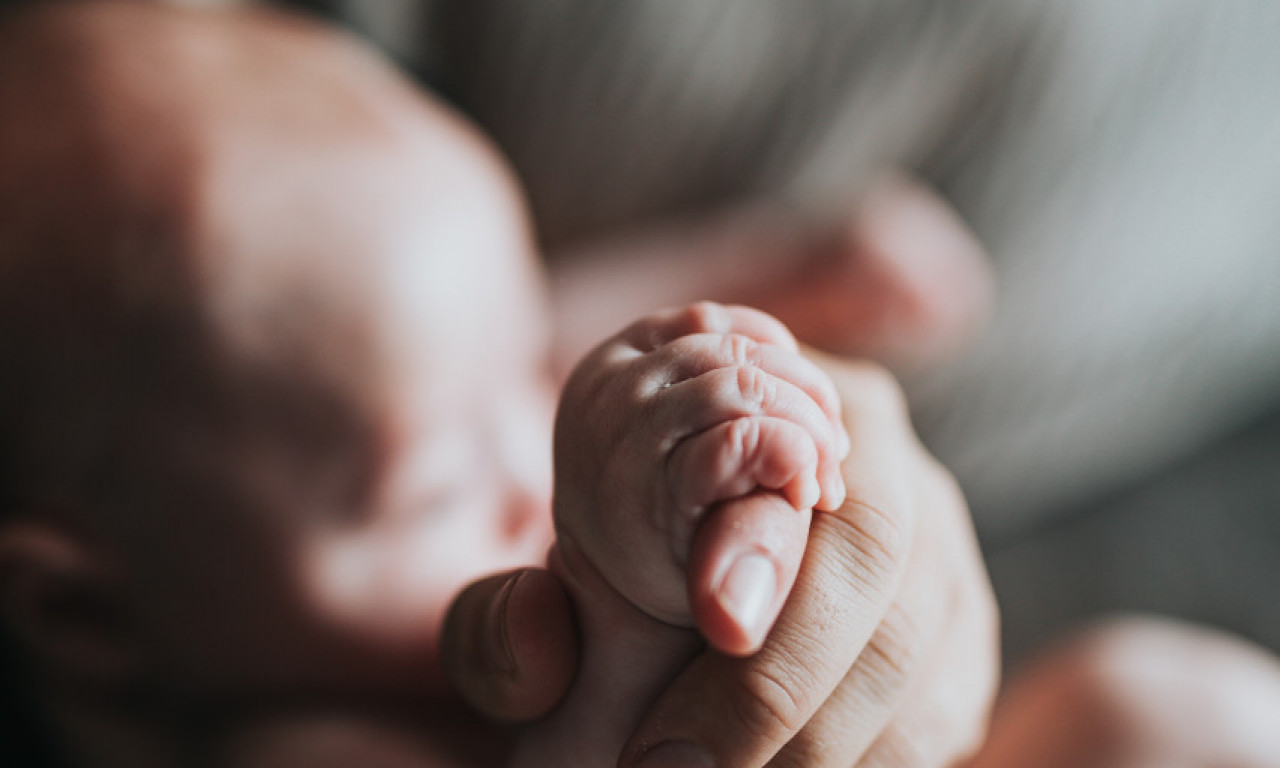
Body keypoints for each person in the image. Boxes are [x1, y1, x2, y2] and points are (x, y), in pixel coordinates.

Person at [0, 3, 989, 766]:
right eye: (436, 490)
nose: (537, 464)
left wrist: (795, 271)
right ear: (82, 615)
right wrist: (616, 599)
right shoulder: (312, 745)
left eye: (530, 370)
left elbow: (506, 338)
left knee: (1134, 698)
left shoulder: (393, 390)